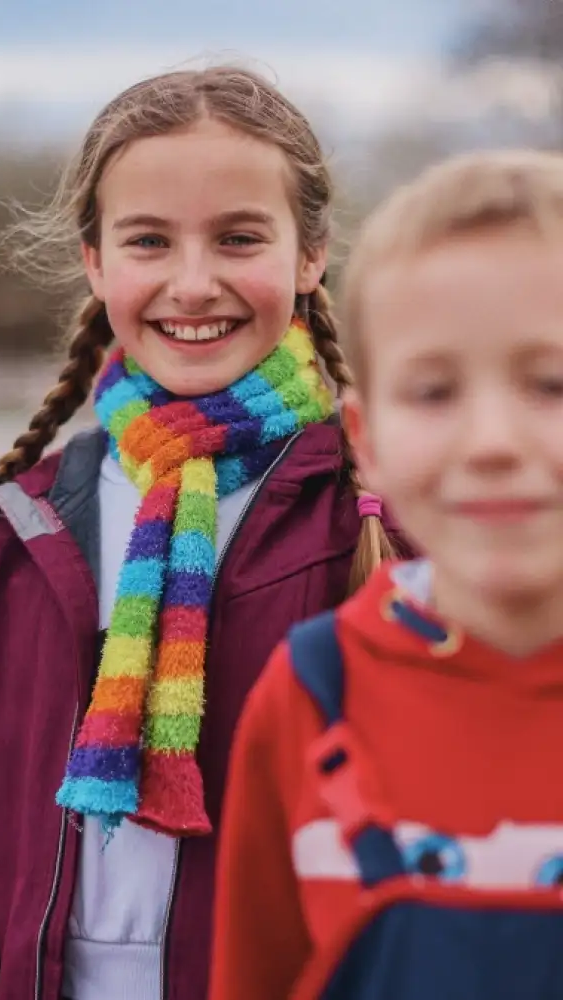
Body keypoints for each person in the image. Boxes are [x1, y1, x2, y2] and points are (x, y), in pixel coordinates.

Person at [0, 66, 405, 1000]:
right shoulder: (23, 523)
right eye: (149, 241)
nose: (193, 284)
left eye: (239, 237)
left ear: (310, 256)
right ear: (95, 261)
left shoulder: (377, 522)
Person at [210, 148, 563, 1000]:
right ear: (364, 441)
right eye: (434, 393)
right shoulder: (311, 693)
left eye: (552, 384)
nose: (492, 442)